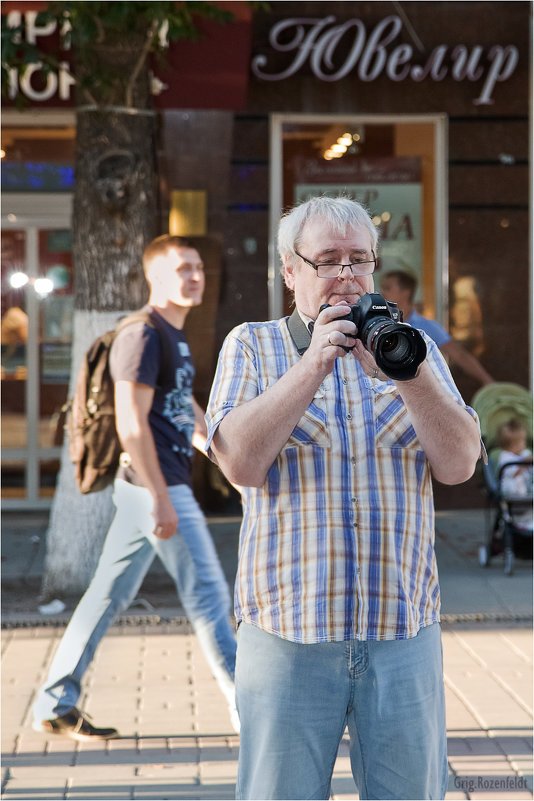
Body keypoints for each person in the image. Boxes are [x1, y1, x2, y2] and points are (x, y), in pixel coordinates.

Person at [205, 196, 481, 800]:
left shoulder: (416, 352)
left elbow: (460, 465)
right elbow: (241, 465)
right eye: (328, 260)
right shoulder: (251, 346)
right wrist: (313, 365)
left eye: (359, 259)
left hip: (401, 629)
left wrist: (412, 379)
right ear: (289, 271)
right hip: (289, 633)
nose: (347, 275)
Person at [32, 235, 238, 740]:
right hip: (155, 486)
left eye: (197, 268)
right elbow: (131, 423)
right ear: (155, 278)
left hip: (148, 488)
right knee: (211, 596)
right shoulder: (143, 334)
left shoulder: (174, 334)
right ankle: (253, 711)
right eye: (182, 269)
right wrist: (162, 498)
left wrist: (220, 450)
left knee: (106, 595)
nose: (194, 276)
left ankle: (54, 701)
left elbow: (178, 403)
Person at [379, 269, 494, 387]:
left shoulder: (426, 326)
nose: (381, 292)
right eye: (382, 288)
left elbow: (459, 355)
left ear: (406, 293)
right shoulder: (378, 324)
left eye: (387, 288)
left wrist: (487, 381)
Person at [496, 418, 533, 499]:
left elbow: (528, 460)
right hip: (511, 489)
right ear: (513, 445)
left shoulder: (524, 453)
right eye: (522, 441)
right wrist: (522, 465)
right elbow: (512, 473)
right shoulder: (505, 456)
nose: (524, 444)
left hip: (525, 487)